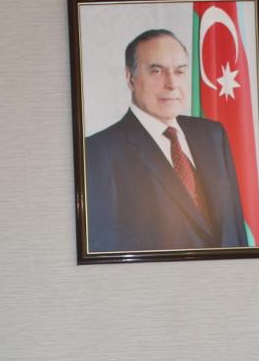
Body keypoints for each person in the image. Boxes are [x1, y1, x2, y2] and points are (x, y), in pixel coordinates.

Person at [84, 29, 249, 253]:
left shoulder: (213, 134)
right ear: (130, 78)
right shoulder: (98, 152)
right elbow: (105, 249)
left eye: (179, 71)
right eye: (157, 71)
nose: (172, 84)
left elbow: (235, 228)